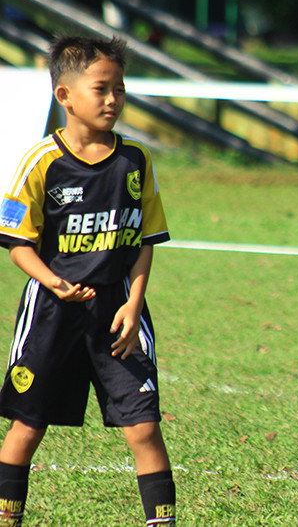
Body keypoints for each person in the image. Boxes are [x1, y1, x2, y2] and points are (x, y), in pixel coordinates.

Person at [0, 35, 175, 526]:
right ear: (65, 96)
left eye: (120, 88)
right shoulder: (41, 162)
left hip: (118, 315)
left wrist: (134, 305)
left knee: (144, 428)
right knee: (26, 426)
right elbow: (18, 244)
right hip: (51, 314)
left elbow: (145, 240)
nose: (113, 99)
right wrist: (53, 282)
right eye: (101, 88)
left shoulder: (135, 160)